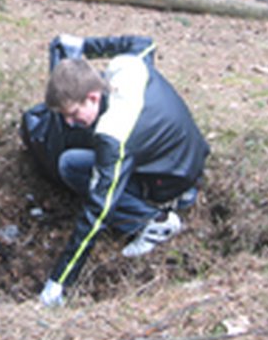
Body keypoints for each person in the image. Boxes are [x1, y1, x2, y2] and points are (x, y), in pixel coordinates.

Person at [38, 54, 210, 307]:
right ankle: (173, 198)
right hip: (186, 160)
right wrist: (86, 47)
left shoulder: (114, 134)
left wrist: (59, 281)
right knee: (78, 158)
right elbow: (144, 44)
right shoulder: (125, 67)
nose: (69, 123)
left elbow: (98, 211)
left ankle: (155, 221)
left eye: (73, 114)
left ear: (93, 97)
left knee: (71, 166)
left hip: (169, 183)